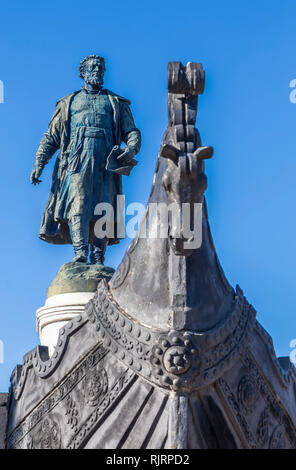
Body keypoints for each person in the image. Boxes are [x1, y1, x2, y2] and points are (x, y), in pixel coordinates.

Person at [30, 55, 141, 264]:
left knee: (103, 207)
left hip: (106, 163)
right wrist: (39, 163)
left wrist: (132, 147)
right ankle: (80, 253)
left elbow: (131, 131)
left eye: (101, 67)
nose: (97, 70)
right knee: (78, 205)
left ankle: (98, 256)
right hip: (76, 162)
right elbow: (51, 137)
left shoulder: (115, 102)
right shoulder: (68, 103)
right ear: (83, 72)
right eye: (93, 67)